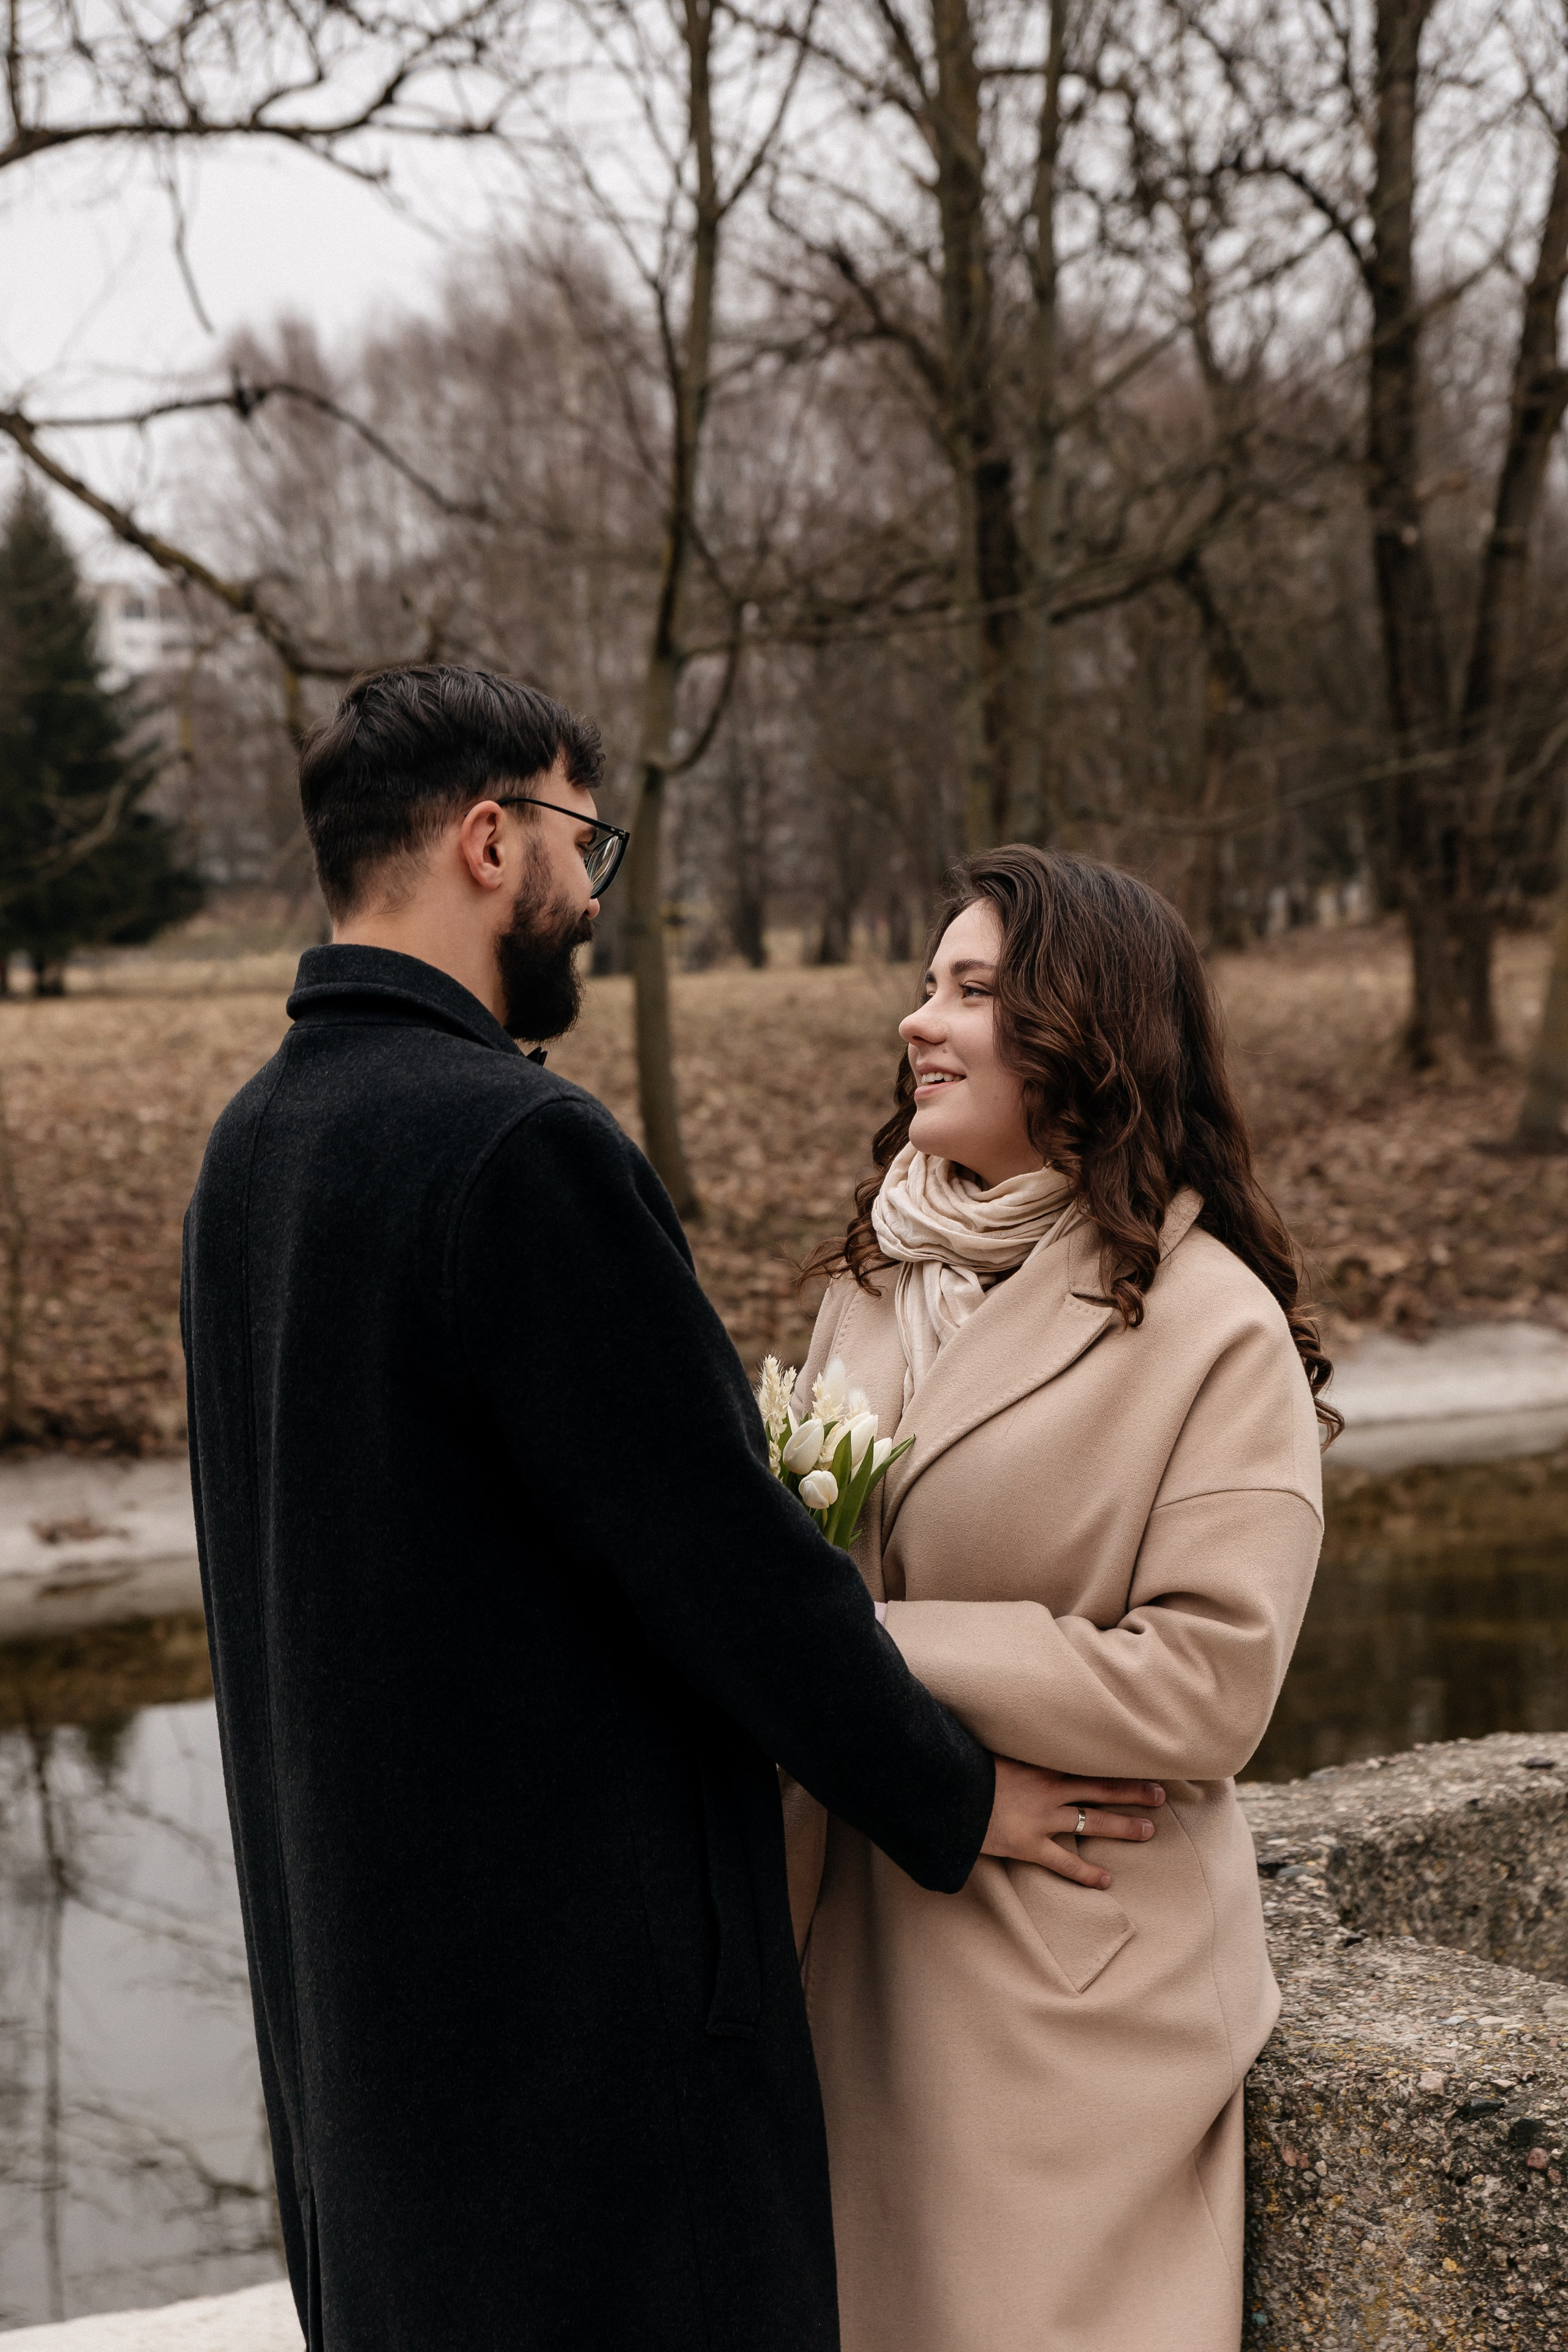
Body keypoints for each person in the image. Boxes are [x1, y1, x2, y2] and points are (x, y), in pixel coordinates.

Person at [180, 666, 1158, 2352]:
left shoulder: (251, 1150)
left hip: (367, 2063)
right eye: (583, 841)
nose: (592, 892)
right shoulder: (516, 1149)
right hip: (582, 2076)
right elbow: (722, 1563)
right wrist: (951, 1796)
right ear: (490, 843)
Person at [788, 846, 1333, 2352]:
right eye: (926, 984)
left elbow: (1207, 1685)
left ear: (1084, 1034)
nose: (919, 1020)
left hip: (1066, 1992)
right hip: (849, 1949)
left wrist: (860, 1646)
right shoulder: (872, 1279)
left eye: (971, 991)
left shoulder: (1212, 1326)